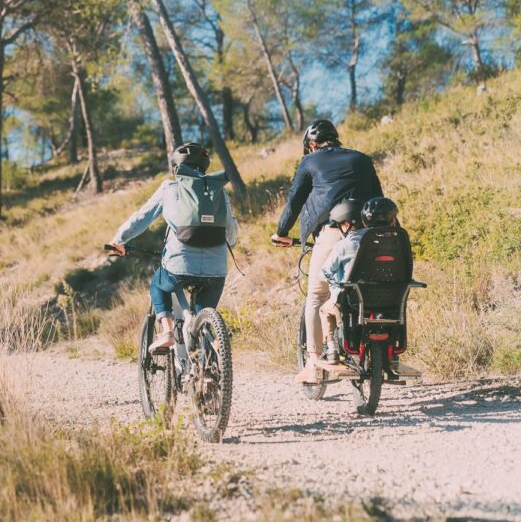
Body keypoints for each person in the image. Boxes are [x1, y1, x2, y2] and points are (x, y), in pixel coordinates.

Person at [270, 119, 383, 383]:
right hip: (370, 233)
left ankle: (313, 364)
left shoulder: (310, 161)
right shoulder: (362, 159)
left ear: (311, 145)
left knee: (317, 295)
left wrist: (282, 233)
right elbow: (378, 197)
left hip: (334, 234)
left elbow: (295, 200)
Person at [109, 143, 238, 352]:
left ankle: (167, 331)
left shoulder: (169, 188)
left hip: (179, 264)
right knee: (202, 315)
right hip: (217, 269)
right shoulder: (218, 191)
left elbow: (142, 217)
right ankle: (211, 363)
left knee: (158, 284)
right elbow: (231, 236)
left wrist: (119, 239)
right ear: (204, 166)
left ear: (176, 167)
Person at [319, 196, 400, 367]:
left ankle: (332, 350)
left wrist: (336, 285)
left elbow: (325, 272)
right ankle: (391, 353)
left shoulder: (343, 246)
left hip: (352, 301)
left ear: (347, 225)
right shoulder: (393, 243)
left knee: (324, 310)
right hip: (389, 298)